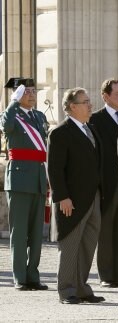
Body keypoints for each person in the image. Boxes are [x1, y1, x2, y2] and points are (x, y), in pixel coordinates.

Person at [48, 87, 104, 304]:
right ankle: (66, 289)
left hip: (93, 198)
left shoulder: (91, 130)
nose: (90, 105)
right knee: (70, 246)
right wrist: (62, 197)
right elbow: (55, 169)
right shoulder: (60, 132)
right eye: (85, 102)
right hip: (71, 200)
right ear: (72, 106)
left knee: (88, 245)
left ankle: (81, 287)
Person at [0, 78, 49, 291]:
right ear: (17, 95)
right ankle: (20, 277)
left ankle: (33, 275)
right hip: (19, 179)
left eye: (32, 90)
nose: (30, 94)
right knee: (19, 232)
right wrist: (12, 103)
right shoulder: (11, 114)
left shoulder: (39, 116)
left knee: (36, 232)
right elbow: (6, 127)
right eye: (25, 91)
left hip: (38, 178)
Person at [89, 79, 118, 288]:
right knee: (105, 230)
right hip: (106, 182)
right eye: (117, 94)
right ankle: (106, 274)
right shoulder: (95, 119)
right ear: (105, 96)